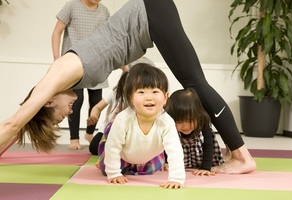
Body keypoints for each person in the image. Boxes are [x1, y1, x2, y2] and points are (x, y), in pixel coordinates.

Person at [0, 0, 256, 174]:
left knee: (195, 84)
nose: (67, 115)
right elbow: (20, 123)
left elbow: (13, 122)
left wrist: (17, 127)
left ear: (47, 102)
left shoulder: (58, 74)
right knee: (195, 83)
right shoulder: (61, 80)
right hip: (150, 19)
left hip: (150, 14)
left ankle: (243, 157)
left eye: (56, 118)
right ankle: (241, 155)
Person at [97, 63, 185, 189]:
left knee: (153, 169)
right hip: (123, 155)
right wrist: (114, 173)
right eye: (141, 92)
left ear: (165, 97)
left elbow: (175, 150)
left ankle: (137, 166)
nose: (149, 98)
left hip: (148, 155)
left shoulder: (167, 122)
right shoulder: (123, 119)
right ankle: (118, 165)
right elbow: (113, 147)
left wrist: (176, 179)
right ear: (130, 98)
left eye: (155, 91)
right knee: (107, 168)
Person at [51, 0, 110, 150]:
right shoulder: (72, 6)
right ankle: (74, 138)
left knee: (96, 100)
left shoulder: (104, 11)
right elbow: (57, 31)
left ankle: (89, 133)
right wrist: (57, 58)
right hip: (74, 63)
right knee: (76, 100)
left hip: (97, 63)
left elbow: (107, 38)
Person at [87, 56, 155, 155]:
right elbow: (97, 107)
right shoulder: (116, 92)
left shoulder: (143, 98)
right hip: (108, 130)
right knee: (94, 148)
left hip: (130, 132)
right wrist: (94, 116)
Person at [164, 88, 224, 175]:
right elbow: (166, 145)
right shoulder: (169, 124)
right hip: (181, 158)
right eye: (179, 121)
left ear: (198, 115)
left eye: (190, 120)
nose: (185, 126)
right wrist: (166, 162)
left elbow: (208, 145)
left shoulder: (202, 120)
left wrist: (205, 168)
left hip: (201, 157)